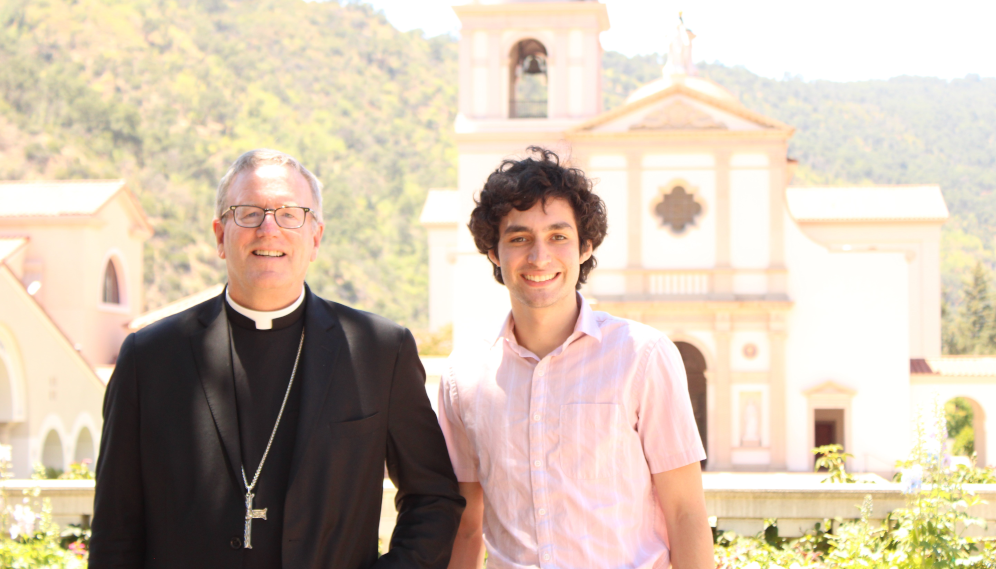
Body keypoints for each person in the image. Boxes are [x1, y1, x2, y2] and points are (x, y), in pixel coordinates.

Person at [90, 149, 464, 568]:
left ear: (316, 238)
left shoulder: (379, 351)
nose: (269, 229)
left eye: (290, 214)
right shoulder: (150, 358)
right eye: (248, 213)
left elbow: (433, 497)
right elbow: (114, 528)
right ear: (219, 235)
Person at [438, 147, 713, 569]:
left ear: (585, 247)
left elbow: (686, 513)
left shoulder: (643, 356)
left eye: (558, 236)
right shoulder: (463, 376)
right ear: (494, 253)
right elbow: (466, 526)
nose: (539, 257)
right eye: (519, 238)